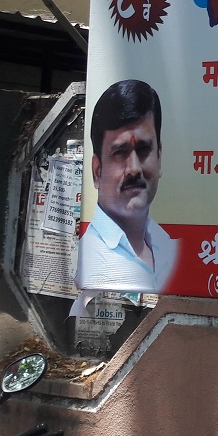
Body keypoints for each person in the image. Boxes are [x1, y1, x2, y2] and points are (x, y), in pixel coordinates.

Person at [75, 79, 177, 293]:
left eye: (143, 150)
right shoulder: (87, 260)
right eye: (120, 153)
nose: (134, 169)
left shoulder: (170, 249)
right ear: (97, 171)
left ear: (159, 157)